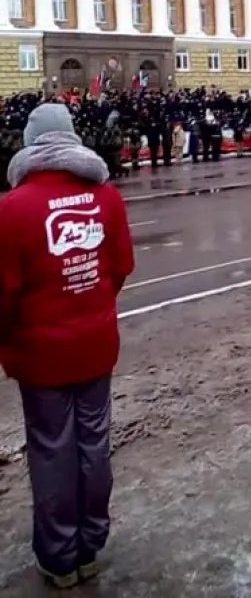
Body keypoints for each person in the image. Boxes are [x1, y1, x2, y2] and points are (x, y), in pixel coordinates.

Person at [0, 104, 134, 588]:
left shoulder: (11, 207)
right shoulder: (106, 197)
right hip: (95, 343)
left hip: (42, 356)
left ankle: (59, 558)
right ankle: (90, 547)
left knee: (52, 451)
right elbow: (119, 268)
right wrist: (89, 307)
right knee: (94, 444)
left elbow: (4, 294)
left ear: (31, 145)